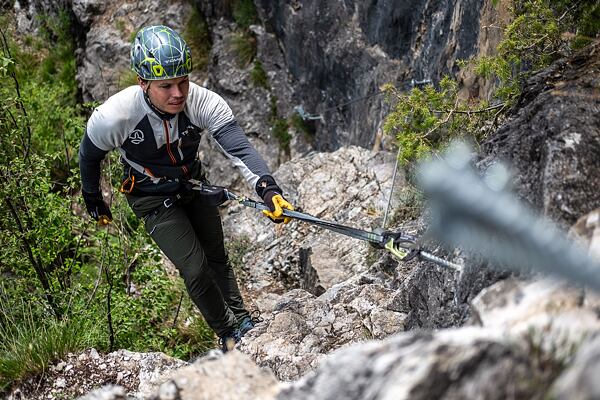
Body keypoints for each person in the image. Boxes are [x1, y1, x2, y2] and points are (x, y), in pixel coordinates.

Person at [78, 25, 294, 352]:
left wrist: (268, 189)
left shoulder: (203, 102)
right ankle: (228, 333)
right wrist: (93, 197)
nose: (178, 94)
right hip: (150, 197)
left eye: (183, 82)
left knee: (217, 256)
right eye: (166, 86)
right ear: (143, 84)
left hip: (193, 183)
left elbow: (239, 149)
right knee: (195, 267)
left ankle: (243, 319)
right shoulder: (114, 117)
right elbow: (89, 156)